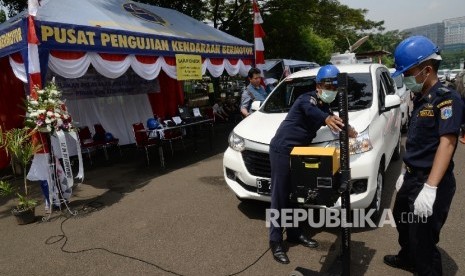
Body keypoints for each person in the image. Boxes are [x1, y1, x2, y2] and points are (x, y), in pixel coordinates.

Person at [384, 36, 463, 275]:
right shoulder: (421, 97)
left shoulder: (446, 98)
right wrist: (403, 171)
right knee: (401, 218)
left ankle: (425, 266)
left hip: (430, 180)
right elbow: (416, 141)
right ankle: (408, 258)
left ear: (426, 70)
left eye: (409, 72)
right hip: (411, 177)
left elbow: (447, 144)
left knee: (424, 241)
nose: (407, 78)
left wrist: (430, 187)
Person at [268, 64, 357, 264]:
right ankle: (275, 241)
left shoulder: (325, 107)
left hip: (300, 153)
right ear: (318, 85)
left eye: (335, 88)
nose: (331, 91)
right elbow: (313, 111)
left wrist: (349, 129)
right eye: (328, 86)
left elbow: (334, 120)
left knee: (295, 195)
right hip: (282, 150)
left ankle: (294, 233)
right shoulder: (306, 99)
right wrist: (325, 118)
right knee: (279, 197)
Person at [454, 67, 465, 143]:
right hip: (462, 97)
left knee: (462, 116)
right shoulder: (460, 75)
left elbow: (456, 86)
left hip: (460, 97)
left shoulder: (459, 75)